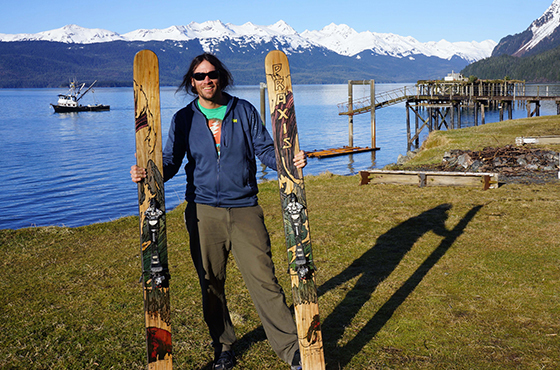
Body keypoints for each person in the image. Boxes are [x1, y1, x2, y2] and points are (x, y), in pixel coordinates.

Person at [130, 53, 306, 370]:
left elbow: (266, 149)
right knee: (211, 284)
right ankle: (223, 347)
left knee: (265, 280)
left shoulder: (244, 110)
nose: (206, 80)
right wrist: (148, 172)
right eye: (199, 76)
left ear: (221, 77)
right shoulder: (183, 119)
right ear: (192, 82)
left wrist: (287, 160)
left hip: (244, 209)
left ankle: (292, 350)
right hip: (202, 213)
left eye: (212, 74)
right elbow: (170, 160)